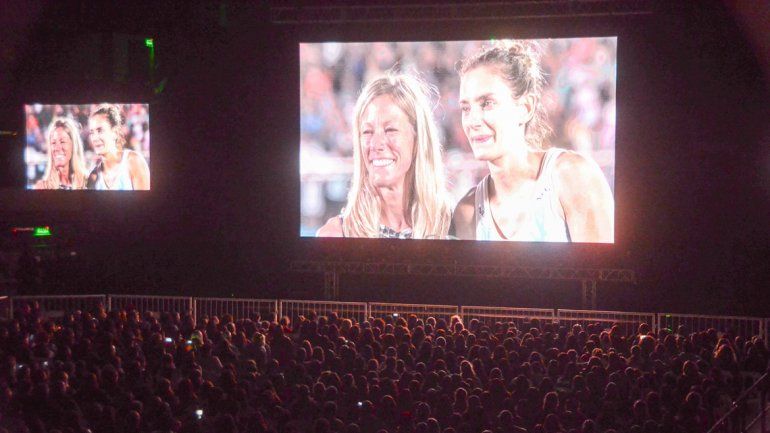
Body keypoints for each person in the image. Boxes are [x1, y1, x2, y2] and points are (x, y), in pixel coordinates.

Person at [451, 41, 614, 242]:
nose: (473, 121)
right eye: (466, 108)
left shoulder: (572, 176)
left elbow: (602, 271)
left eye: (487, 103)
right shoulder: (467, 212)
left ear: (526, 108)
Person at [317, 73, 451, 239]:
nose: (376, 144)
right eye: (367, 132)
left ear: (417, 139)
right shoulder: (335, 236)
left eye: (390, 130)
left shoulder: (451, 226)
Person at [86, 104, 150, 190]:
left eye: (100, 130)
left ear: (115, 133)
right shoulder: (93, 177)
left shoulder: (133, 161)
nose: (95, 138)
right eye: (92, 132)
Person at [33, 117, 87, 190]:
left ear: (73, 146)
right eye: (53, 143)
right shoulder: (41, 187)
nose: (57, 148)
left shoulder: (88, 183)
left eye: (62, 142)